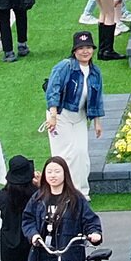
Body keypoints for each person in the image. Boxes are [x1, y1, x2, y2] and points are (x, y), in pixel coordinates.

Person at [43, 31, 104, 195]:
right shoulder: (65, 66)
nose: (85, 51)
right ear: (74, 51)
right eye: (81, 48)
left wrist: (97, 122)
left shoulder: (95, 72)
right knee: (66, 155)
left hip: (79, 117)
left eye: (88, 47)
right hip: (60, 115)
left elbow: (97, 98)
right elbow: (53, 90)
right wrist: (53, 116)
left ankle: (82, 192)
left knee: (82, 154)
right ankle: (65, 191)